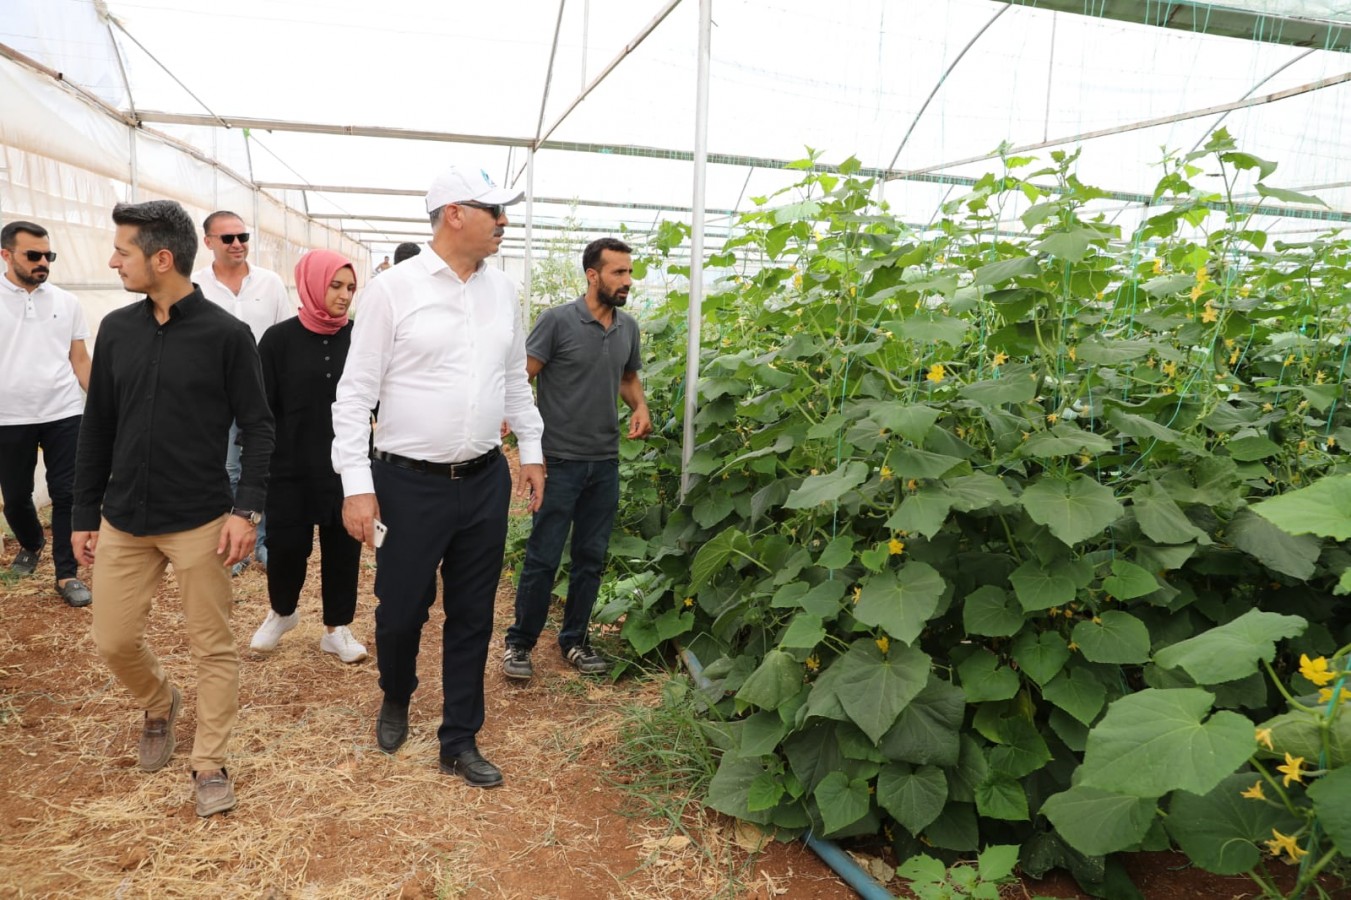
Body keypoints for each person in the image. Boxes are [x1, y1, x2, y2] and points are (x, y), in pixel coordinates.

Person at [332, 163, 545, 788]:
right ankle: (396, 691)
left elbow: (513, 381)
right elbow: (353, 398)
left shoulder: (502, 291)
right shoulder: (391, 291)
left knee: (474, 613)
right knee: (400, 611)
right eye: (494, 211)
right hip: (405, 485)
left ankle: (459, 737)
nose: (505, 222)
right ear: (455, 213)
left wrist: (530, 448)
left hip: (483, 480)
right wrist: (356, 486)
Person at [72, 200, 274, 817]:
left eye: (123, 251)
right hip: (124, 517)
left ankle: (210, 761)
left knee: (213, 646)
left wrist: (247, 511)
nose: (113, 261)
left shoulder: (226, 335)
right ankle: (160, 701)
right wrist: (83, 513)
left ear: (162, 259)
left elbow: (259, 428)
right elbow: (98, 424)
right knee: (113, 639)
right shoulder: (117, 329)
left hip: (200, 521)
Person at [503, 238, 651, 680]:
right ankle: (519, 644)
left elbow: (628, 377)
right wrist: (510, 419)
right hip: (560, 462)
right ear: (593, 275)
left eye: (629, 272)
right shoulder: (556, 323)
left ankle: (575, 640)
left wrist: (639, 406)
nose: (628, 281)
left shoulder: (627, 328)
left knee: (591, 556)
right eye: (618, 273)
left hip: (604, 462)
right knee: (544, 556)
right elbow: (522, 376)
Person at [248, 250, 366, 664]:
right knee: (285, 546)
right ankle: (282, 612)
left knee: (343, 549)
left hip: (344, 466)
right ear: (312, 283)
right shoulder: (278, 340)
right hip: (289, 466)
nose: (344, 295)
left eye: (350, 287)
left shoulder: (360, 336)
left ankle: (336, 628)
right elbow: (262, 408)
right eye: (335, 285)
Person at [0, 221, 93, 607]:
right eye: (33, 255)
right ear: (6, 255)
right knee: (17, 494)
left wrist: (105, 407)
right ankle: (32, 542)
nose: (43, 262)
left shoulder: (67, 302)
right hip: (8, 416)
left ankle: (66, 573)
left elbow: (80, 358)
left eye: (48, 255)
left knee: (67, 493)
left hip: (64, 411)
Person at [192, 210, 290, 573]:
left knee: (260, 467)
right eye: (228, 238)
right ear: (208, 242)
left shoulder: (270, 283)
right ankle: (233, 546)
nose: (238, 244)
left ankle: (260, 541)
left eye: (243, 237)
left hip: (261, 393)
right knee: (226, 470)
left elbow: (282, 339)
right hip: (214, 396)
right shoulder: (195, 285)